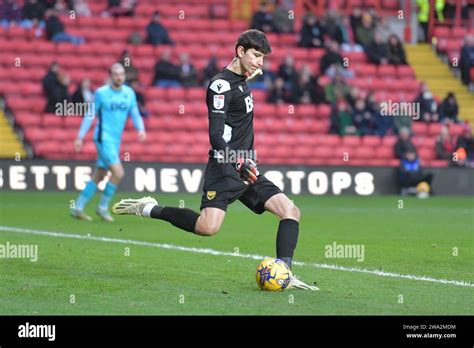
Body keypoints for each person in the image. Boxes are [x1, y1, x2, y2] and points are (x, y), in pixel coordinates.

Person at [112, 29, 317, 291]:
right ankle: (149, 208)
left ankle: (285, 272)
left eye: (263, 58)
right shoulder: (220, 86)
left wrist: (250, 72)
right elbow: (216, 135)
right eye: (256, 56)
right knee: (207, 228)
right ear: (240, 51)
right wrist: (237, 162)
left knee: (290, 212)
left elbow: (241, 80)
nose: (260, 63)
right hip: (225, 167)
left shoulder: (243, 76)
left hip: (247, 167)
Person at [71, 63, 146, 222]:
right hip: (102, 138)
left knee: (100, 174)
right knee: (118, 173)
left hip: (115, 140)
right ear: (110, 76)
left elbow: (135, 113)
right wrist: (80, 137)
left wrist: (140, 129)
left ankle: (78, 207)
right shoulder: (101, 93)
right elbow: (90, 115)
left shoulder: (129, 93)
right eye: (116, 74)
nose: (119, 77)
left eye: (121, 74)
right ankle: (103, 207)